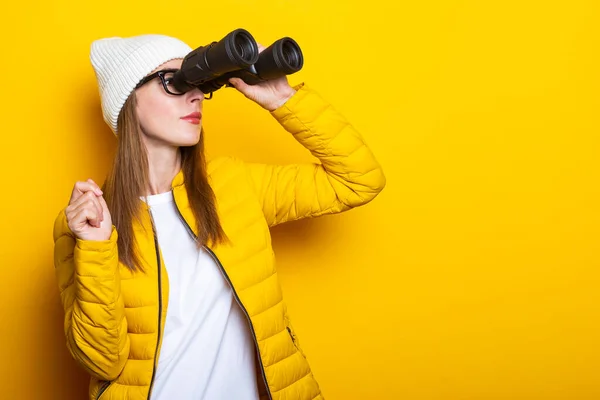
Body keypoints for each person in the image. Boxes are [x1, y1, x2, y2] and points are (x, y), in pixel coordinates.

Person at [53, 33, 386, 400]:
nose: (195, 96)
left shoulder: (232, 186)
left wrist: (283, 100)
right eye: (173, 82)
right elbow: (102, 362)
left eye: (197, 84)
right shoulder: (88, 222)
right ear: (127, 100)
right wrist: (94, 249)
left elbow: (359, 180)